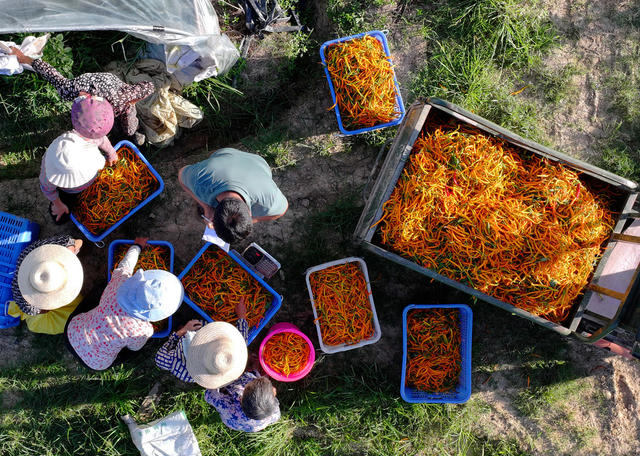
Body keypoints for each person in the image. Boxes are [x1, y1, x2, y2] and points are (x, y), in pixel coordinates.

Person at [154, 299, 280, 432]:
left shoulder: (227, 406)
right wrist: (242, 316)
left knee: (200, 323)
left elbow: (209, 395)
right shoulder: (270, 410)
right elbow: (242, 338)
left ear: (241, 398)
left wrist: (181, 332)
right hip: (258, 420)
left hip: (236, 419)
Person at [65, 237, 183, 371]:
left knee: (97, 293)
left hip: (72, 333)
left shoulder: (118, 286)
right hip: (94, 362)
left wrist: (137, 246)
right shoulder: (144, 330)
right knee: (133, 353)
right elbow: (134, 347)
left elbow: (125, 265)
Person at [9, 46, 154, 143]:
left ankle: (133, 131)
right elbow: (49, 73)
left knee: (129, 130)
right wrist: (24, 58)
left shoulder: (121, 98)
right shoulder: (71, 89)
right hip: (103, 88)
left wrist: (133, 100)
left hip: (115, 90)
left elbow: (149, 86)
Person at [178, 148, 288, 244]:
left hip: (258, 164)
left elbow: (282, 211)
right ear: (250, 213)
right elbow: (181, 173)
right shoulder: (201, 178)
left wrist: (254, 220)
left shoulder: (268, 199)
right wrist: (206, 208)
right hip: (225, 155)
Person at [40, 95, 116, 224]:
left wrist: (111, 152)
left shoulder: (88, 137)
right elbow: (48, 190)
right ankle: (66, 205)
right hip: (68, 192)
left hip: (91, 180)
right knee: (61, 218)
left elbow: (102, 139)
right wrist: (58, 204)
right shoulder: (48, 175)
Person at [7, 235, 84, 335]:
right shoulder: (28, 306)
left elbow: (78, 241)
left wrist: (71, 253)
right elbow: (43, 311)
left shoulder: (28, 255)